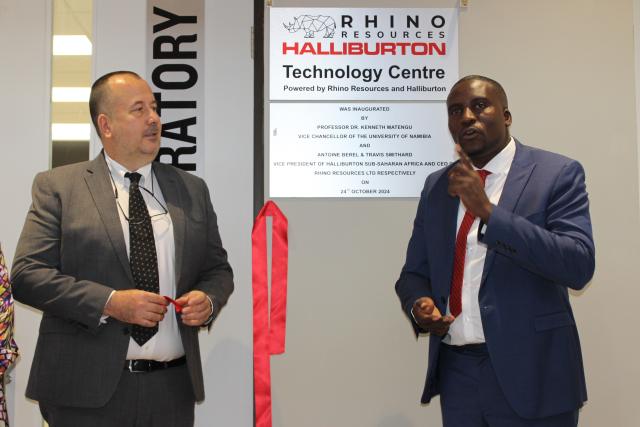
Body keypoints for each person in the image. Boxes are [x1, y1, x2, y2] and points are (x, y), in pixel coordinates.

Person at [11, 70, 234, 427]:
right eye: (138, 109)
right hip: (83, 393)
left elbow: (217, 269)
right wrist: (110, 302)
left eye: (155, 108)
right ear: (106, 125)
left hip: (172, 390)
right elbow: (26, 275)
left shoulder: (191, 189)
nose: (154, 119)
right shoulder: (59, 187)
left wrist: (207, 301)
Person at [395, 75, 594, 427]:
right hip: (458, 373)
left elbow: (577, 265)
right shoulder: (437, 186)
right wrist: (419, 304)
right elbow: (413, 273)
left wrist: (488, 212)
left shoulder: (557, 174)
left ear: (506, 115)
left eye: (479, 105)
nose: (467, 117)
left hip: (535, 373)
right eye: (456, 111)